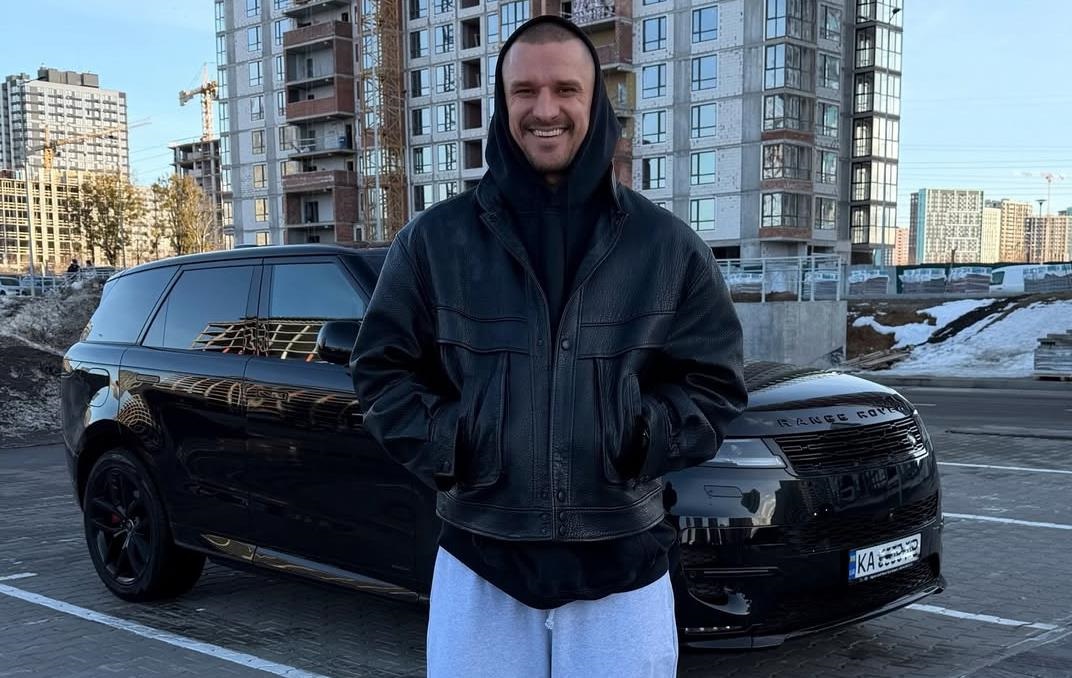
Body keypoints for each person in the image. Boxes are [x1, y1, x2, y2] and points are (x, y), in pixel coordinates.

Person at [351, 15, 747, 678]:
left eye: (566, 89)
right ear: (500, 103)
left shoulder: (667, 246)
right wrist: (460, 439)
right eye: (524, 91)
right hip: (480, 561)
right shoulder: (433, 242)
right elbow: (381, 374)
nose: (544, 109)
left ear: (595, 102)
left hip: (624, 564)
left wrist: (636, 434)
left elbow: (714, 386)